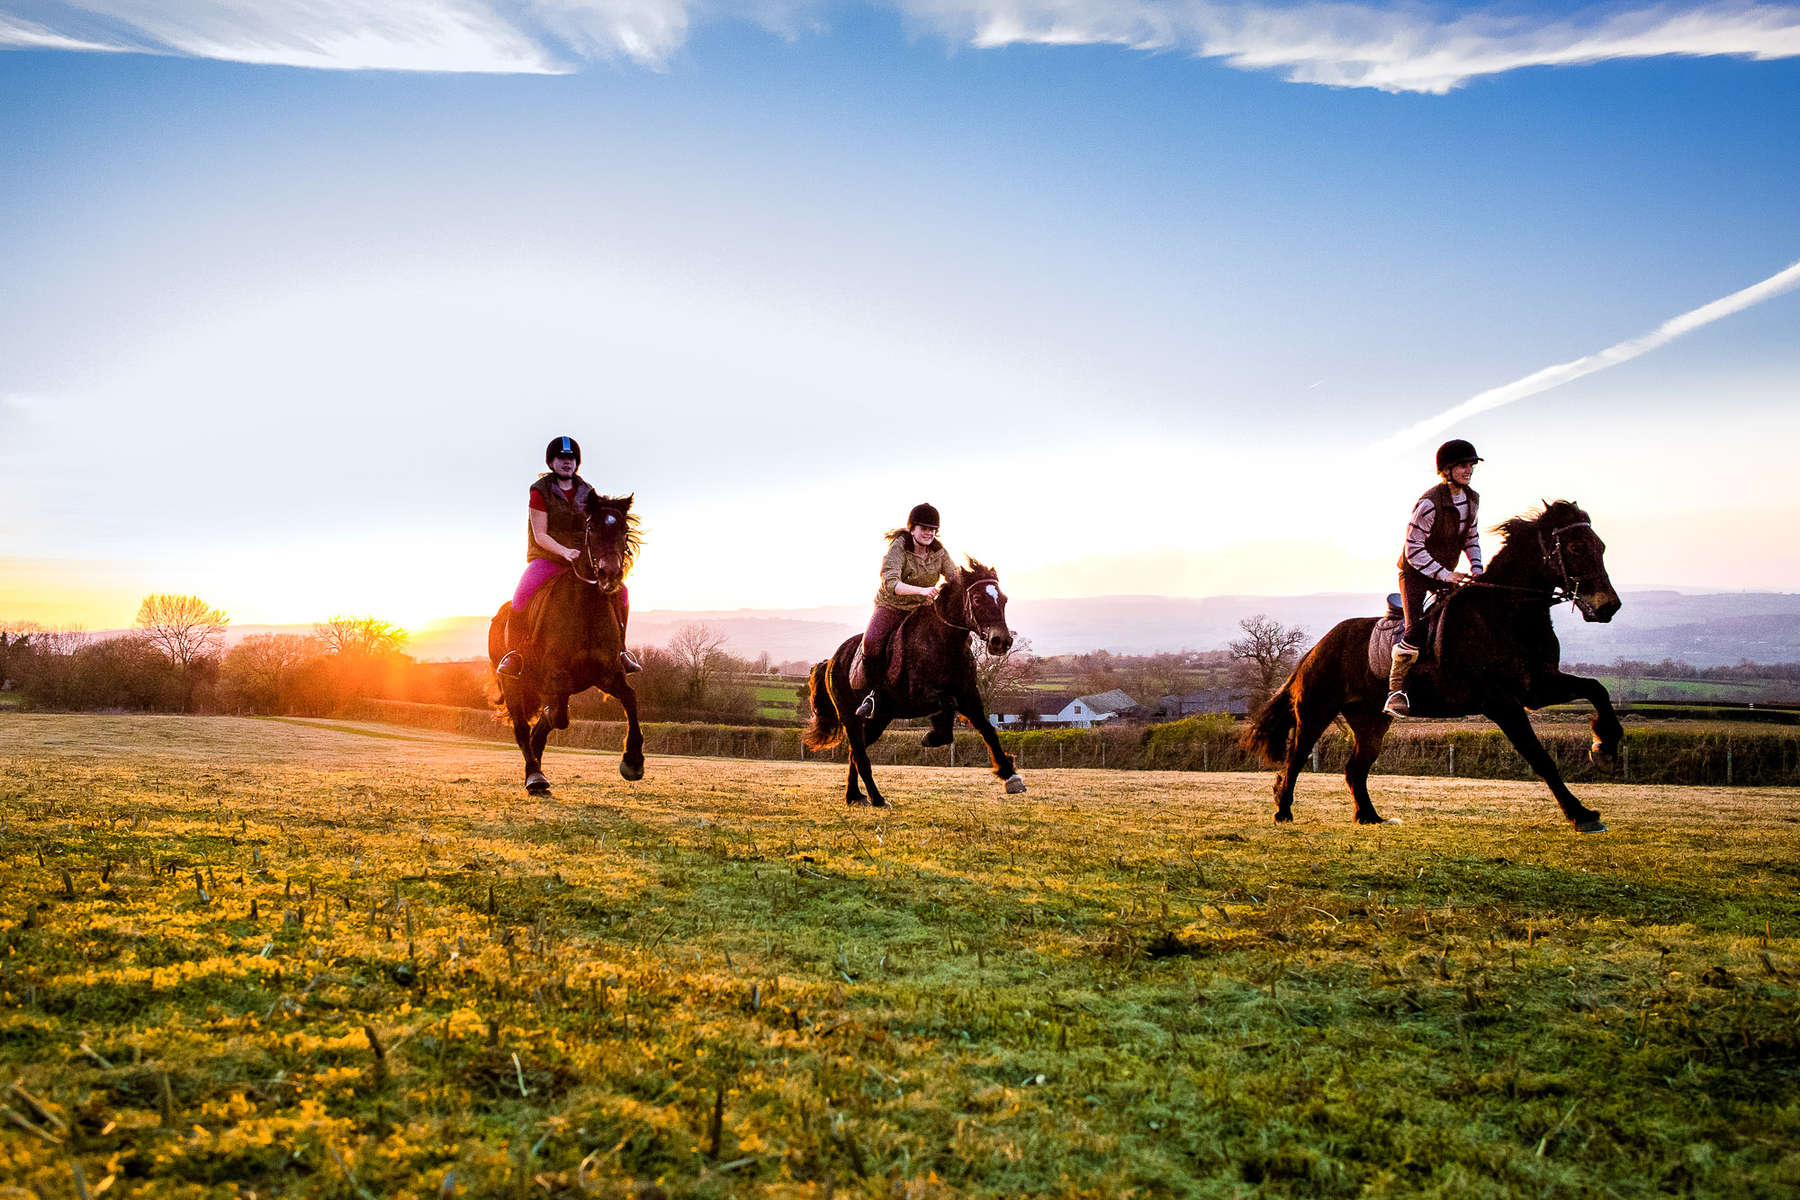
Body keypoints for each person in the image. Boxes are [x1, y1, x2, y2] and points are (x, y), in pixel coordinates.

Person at [496, 436, 641, 678]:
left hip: (581, 559)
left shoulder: (587, 491)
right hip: (547, 557)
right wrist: (564, 552)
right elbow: (540, 534)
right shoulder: (539, 491)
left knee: (622, 592)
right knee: (520, 596)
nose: (567, 462)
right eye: (561, 458)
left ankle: (620, 652)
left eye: (571, 458)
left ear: (577, 463)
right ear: (551, 462)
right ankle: (514, 654)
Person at [1384, 439, 1484, 717]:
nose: (1469, 470)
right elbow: (1413, 550)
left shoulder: (1473, 500)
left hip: (1445, 571)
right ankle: (1396, 691)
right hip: (1414, 573)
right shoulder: (1428, 503)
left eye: (1471, 465)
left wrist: (1477, 568)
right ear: (1447, 470)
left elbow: (1471, 538)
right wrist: (1446, 574)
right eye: (1463, 465)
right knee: (1416, 628)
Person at [852, 503, 959, 719]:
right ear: (912, 529)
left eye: (933, 529)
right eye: (924, 528)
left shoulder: (939, 552)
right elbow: (892, 583)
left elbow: (955, 576)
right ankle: (873, 696)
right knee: (872, 642)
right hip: (891, 606)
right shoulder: (898, 547)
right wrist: (922, 591)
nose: (929, 533)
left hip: (922, 610)